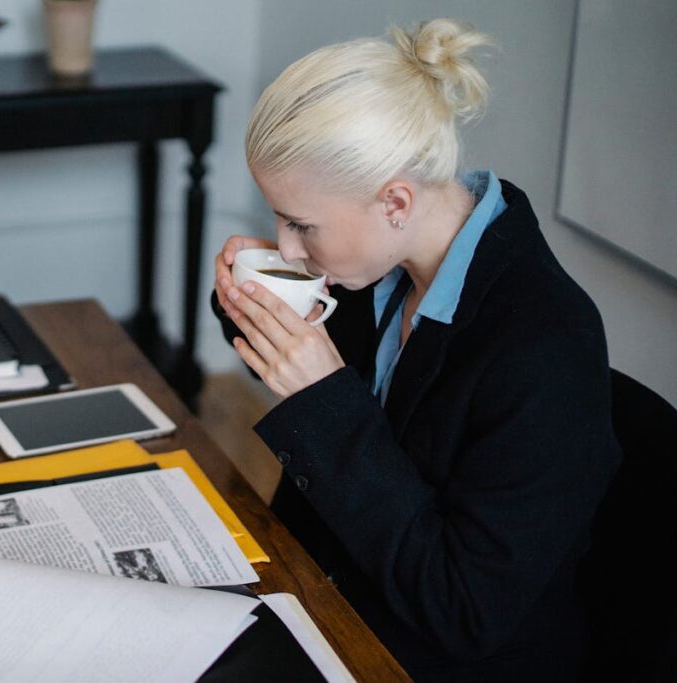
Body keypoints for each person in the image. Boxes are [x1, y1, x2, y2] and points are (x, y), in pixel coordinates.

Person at [211, 19, 620, 682]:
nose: (286, 247)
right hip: (317, 604)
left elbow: (465, 609)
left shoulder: (547, 348)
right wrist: (247, 288)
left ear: (396, 200)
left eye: (300, 223)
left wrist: (327, 402)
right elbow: (309, 341)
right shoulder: (378, 264)